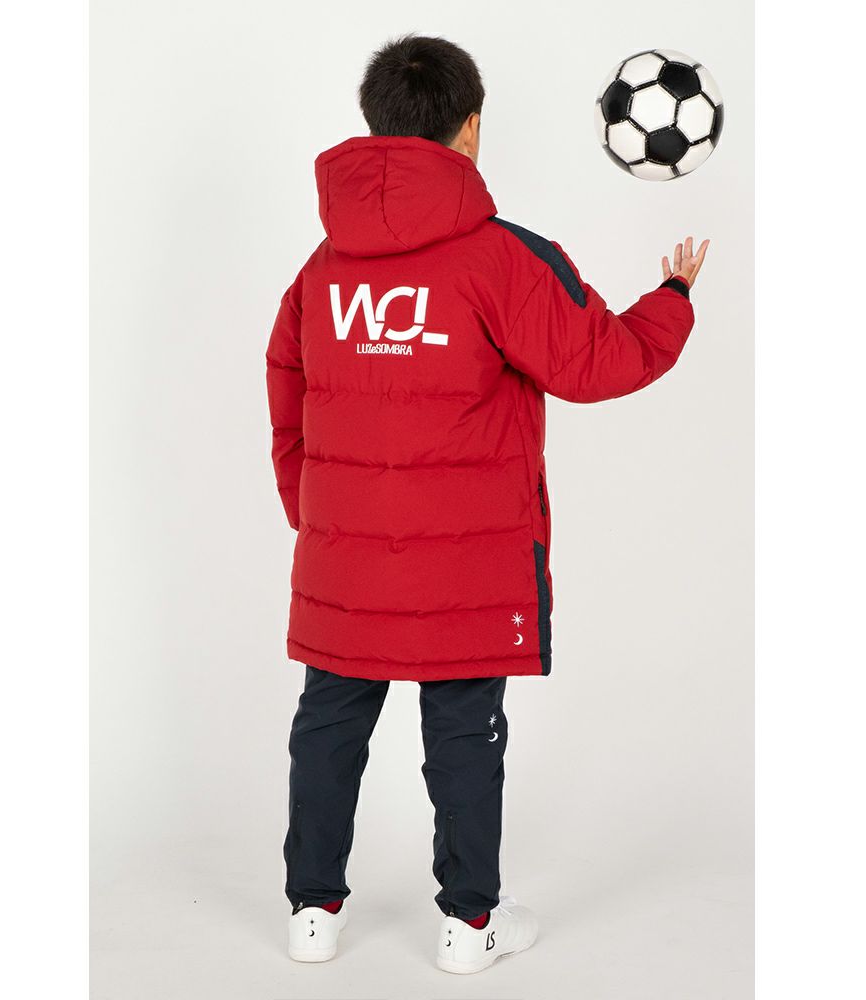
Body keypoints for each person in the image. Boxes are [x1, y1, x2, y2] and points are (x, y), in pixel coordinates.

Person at [266, 33, 709, 975]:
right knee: (464, 733)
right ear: (469, 130)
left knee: (329, 724)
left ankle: (312, 914)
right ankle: (469, 928)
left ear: (374, 125)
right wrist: (672, 297)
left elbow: (285, 385)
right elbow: (595, 363)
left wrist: (317, 514)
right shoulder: (504, 257)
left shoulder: (322, 267)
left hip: (345, 560)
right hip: (467, 565)